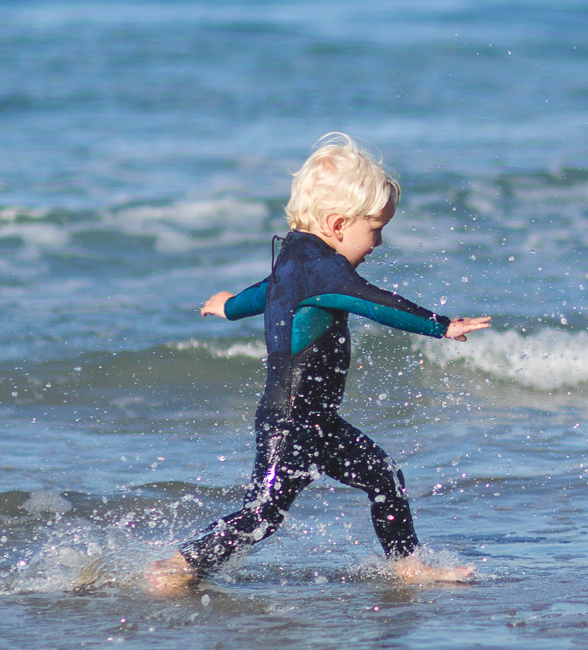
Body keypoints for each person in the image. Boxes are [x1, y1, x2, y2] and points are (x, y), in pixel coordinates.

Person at [145, 134, 490, 594]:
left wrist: (229, 306)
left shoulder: (297, 260)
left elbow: (268, 292)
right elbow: (373, 302)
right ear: (337, 223)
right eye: (376, 228)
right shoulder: (325, 272)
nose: (380, 241)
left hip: (317, 420)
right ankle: (178, 564)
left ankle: (407, 565)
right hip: (290, 421)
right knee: (263, 513)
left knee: (383, 475)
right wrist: (440, 325)